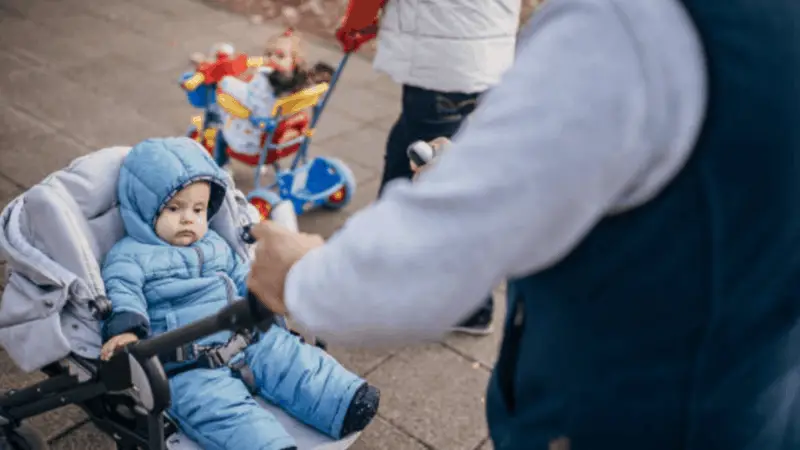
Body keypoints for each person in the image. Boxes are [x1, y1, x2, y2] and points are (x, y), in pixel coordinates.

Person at [247, 0, 800, 448]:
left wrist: (299, 276)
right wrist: (482, 175)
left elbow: (428, 266)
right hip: (751, 403)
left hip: (617, 415)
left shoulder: (625, 25)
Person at [99, 137, 379, 450]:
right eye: (174, 208)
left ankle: (341, 401)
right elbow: (122, 292)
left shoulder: (217, 244)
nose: (188, 218)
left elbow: (244, 276)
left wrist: (270, 292)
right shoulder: (130, 255)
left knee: (291, 359)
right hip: (187, 363)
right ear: (142, 209)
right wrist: (126, 332)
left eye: (198, 209)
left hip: (249, 336)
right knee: (220, 411)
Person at [334, 0, 522, 335]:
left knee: (429, 177)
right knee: (405, 148)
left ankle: (468, 304)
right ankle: (383, 255)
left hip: (442, 60)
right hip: (486, 53)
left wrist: (358, 21)